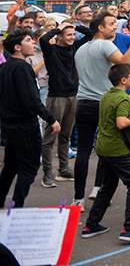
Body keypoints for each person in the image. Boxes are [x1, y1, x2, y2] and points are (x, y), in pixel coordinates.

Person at [75, 11, 130, 207]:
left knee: (84, 150)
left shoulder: (81, 49)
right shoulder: (104, 44)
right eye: (111, 23)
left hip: (83, 102)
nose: (115, 26)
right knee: (107, 148)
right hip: (103, 103)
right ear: (100, 28)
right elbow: (125, 63)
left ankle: (78, 198)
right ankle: (98, 188)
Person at [79, 63, 130, 243]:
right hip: (117, 149)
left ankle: (91, 224)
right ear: (124, 80)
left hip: (103, 147)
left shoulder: (106, 96)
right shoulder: (123, 98)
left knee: (108, 185)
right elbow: (121, 123)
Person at [0, 29, 58, 208]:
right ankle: (17, 208)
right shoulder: (22, 68)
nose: (33, 43)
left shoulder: (5, 66)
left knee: (11, 165)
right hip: (24, 125)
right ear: (18, 47)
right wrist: (51, 119)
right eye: (28, 40)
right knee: (29, 167)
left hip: (10, 124)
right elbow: (31, 101)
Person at [39, 21, 78, 187]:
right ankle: (47, 174)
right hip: (56, 97)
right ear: (60, 36)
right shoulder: (51, 50)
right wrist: (59, 28)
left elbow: (90, 35)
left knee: (65, 136)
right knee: (50, 137)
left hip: (73, 96)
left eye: (73, 35)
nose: (72, 37)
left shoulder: (75, 48)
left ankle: (64, 169)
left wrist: (74, 25)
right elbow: (43, 39)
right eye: (68, 35)